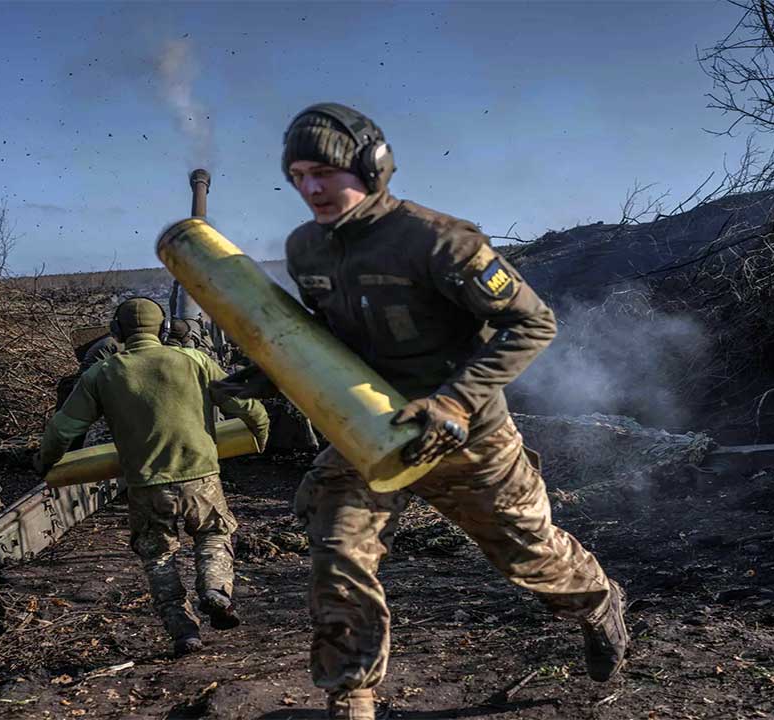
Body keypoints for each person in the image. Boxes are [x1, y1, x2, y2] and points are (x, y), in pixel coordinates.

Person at [216, 103, 628, 719]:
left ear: (372, 166)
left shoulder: (438, 239)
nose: (311, 189)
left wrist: (455, 399)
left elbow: (532, 323)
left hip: (466, 436)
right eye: (298, 176)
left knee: (529, 555)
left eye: (324, 172)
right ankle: (351, 696)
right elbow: (330, 338)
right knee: (339, 551)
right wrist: (270, 372)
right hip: (368, 432)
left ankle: (597, 603)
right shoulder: (306, 250)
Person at [35, 297, 270, 656]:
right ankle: (215, 590)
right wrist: (260, 435)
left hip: (145, 485)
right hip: (200, 477)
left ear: (117, 331)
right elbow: (247, 404)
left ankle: (183, 631)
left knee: (158, 556)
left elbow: (62, 430)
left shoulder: (102, 373)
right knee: (213, 534)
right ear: (163, 329)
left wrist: (46, 463)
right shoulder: (195, 360)